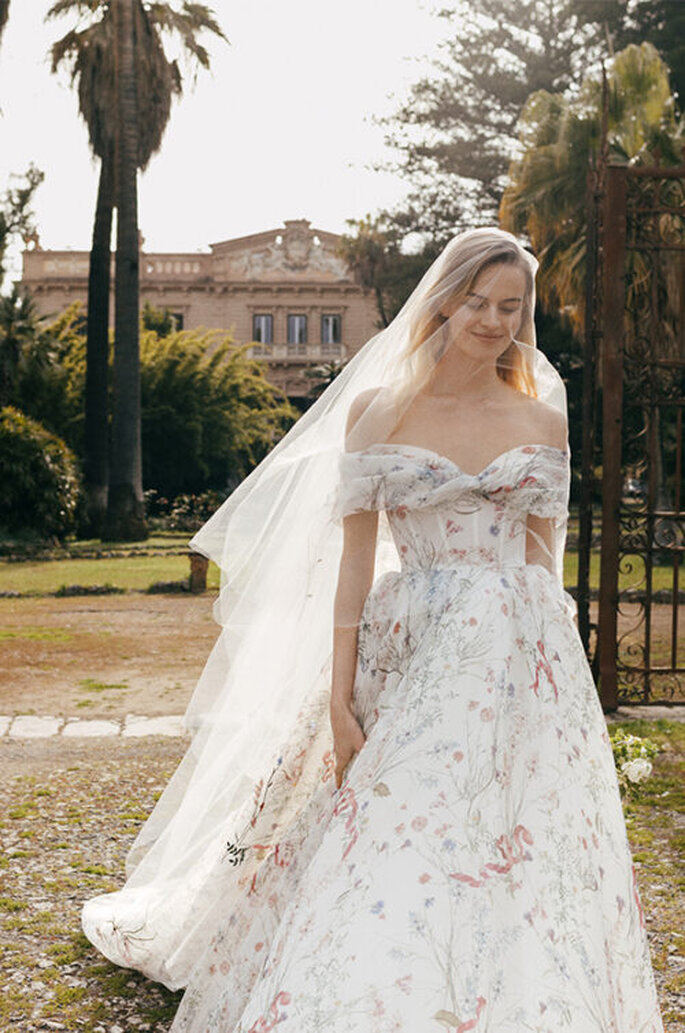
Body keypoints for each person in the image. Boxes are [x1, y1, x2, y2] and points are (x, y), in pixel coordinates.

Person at [82, 228, 664, 1032]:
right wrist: (338, 694)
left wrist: (559, 678)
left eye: (510, 305)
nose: (493, 320)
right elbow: (356, 563)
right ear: (443, 298)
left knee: (517, 823)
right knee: (402, 813)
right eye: (477, 301)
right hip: (415, 642)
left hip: (523, 651)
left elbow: (542, 558)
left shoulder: (541, 418)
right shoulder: (379, 410)